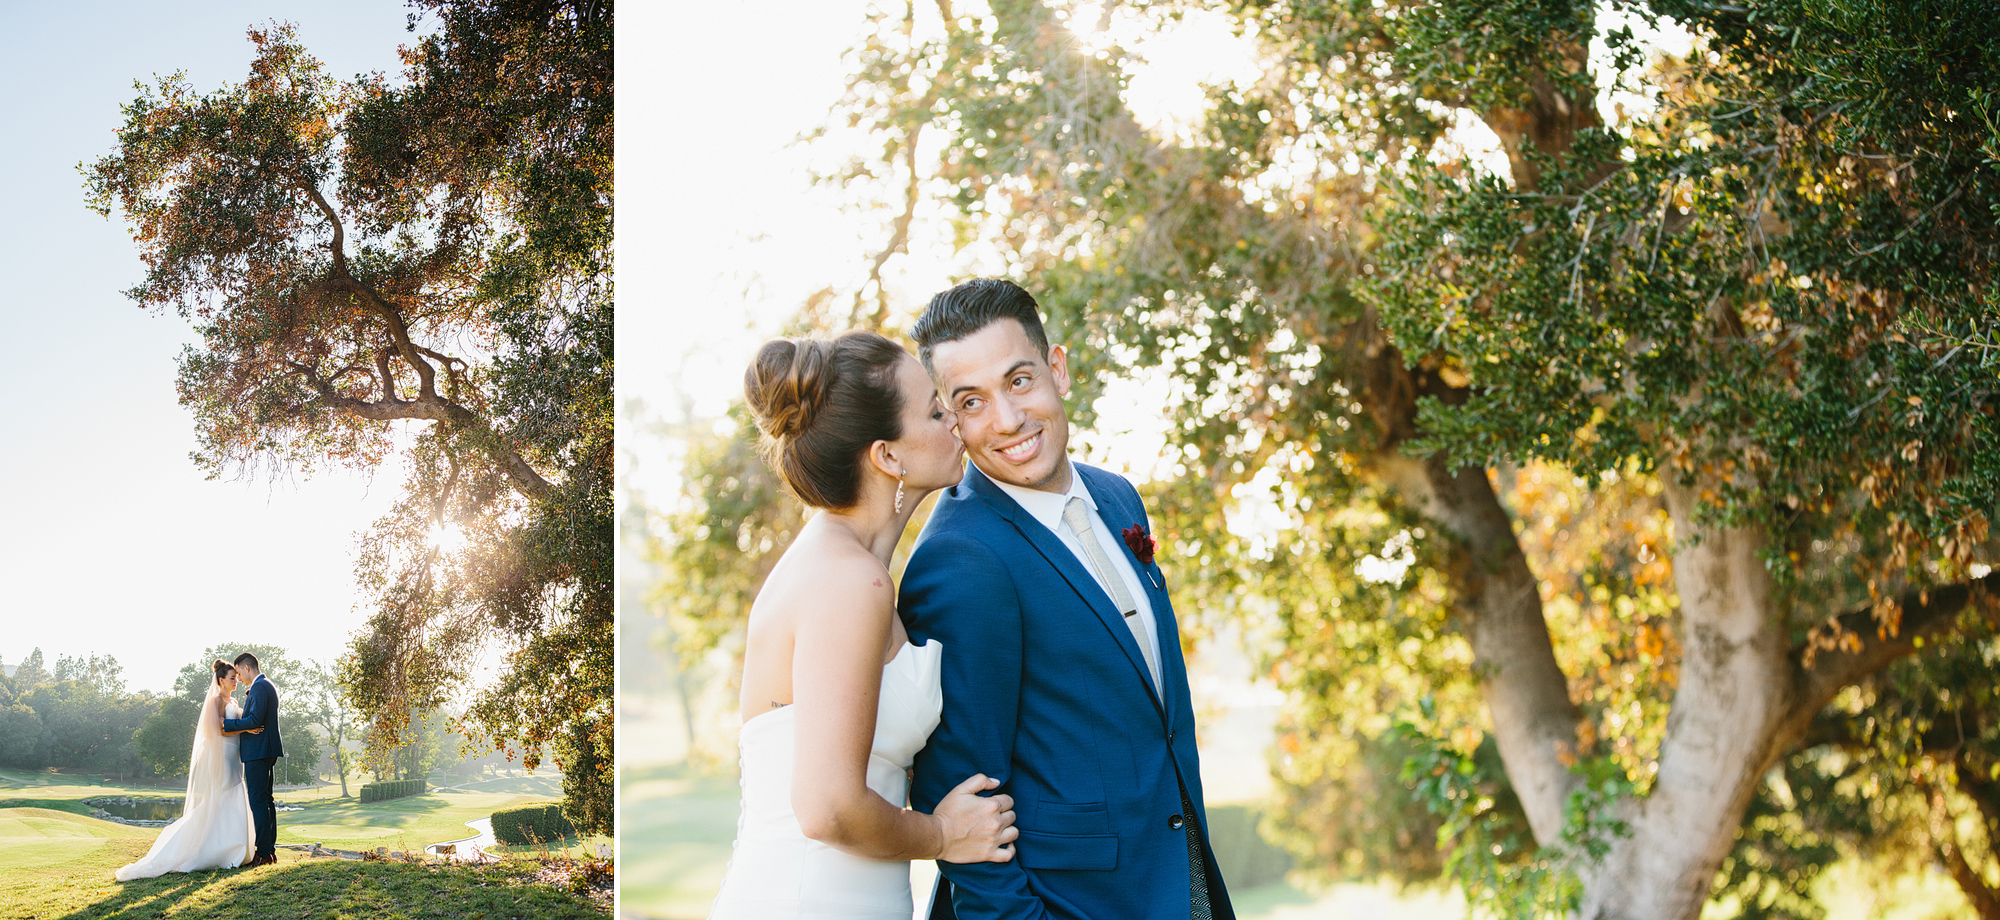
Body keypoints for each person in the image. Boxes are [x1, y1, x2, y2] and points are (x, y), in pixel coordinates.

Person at [902, 279, 1235, 919]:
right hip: (1069, 905)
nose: (1006, 420)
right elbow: (962, 801)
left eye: (1019, 381)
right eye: (971, 401)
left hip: (1174, 876)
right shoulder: (960, 561)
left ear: (1057, 369)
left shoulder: (1116, 498)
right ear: (949, 418)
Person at [708, 330, 1019, 920]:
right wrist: (942, 835)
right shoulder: (850, 581)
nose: (954, 417)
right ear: (888, 456)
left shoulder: (843, 567)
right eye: (934, 409)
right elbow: (827, 807)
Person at [114, 660, 262, 880]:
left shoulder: (234, 700)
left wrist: (248, 727)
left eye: (236, 677)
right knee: (222, 795)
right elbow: (217, 731)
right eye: (232, 678)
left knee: (232, 795)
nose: (236, 681)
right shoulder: (215, 701)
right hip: (222, 753)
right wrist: (249, 727)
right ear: (221, 680)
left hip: (235, 755)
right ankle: (212, 850)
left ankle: (233, 848)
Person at [222, 652, 283, 867]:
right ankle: (269, 852)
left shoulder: (259, 687)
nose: (238, 678)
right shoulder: (265, 685)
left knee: (258, 801)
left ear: (247, 668)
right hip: (265, 750)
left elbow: (255, 720)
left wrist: (227, 725)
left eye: (239, 672)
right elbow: (256, 719)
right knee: (266, 801)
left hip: (258, 751)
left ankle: (264, 853)